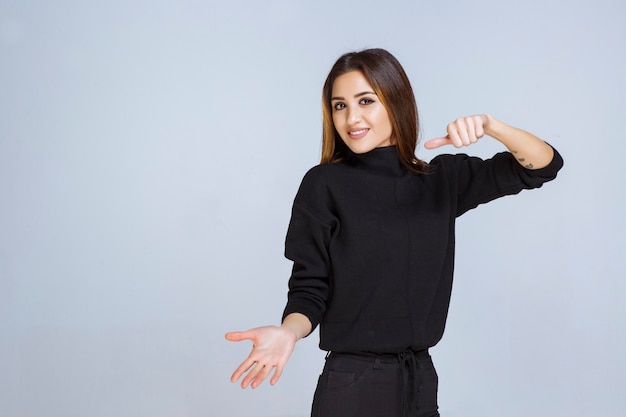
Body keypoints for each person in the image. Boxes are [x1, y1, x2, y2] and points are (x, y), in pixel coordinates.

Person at [225, 48, 563, 417]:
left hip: (418, 379)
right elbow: (310, 287)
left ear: (395, 102)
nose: (351, 117)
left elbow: (542, 166)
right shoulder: (324, 184)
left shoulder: (440, 180)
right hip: (352, 384)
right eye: (339, 106)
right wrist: (288, 332)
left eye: (366, 101)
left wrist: (491, 127)